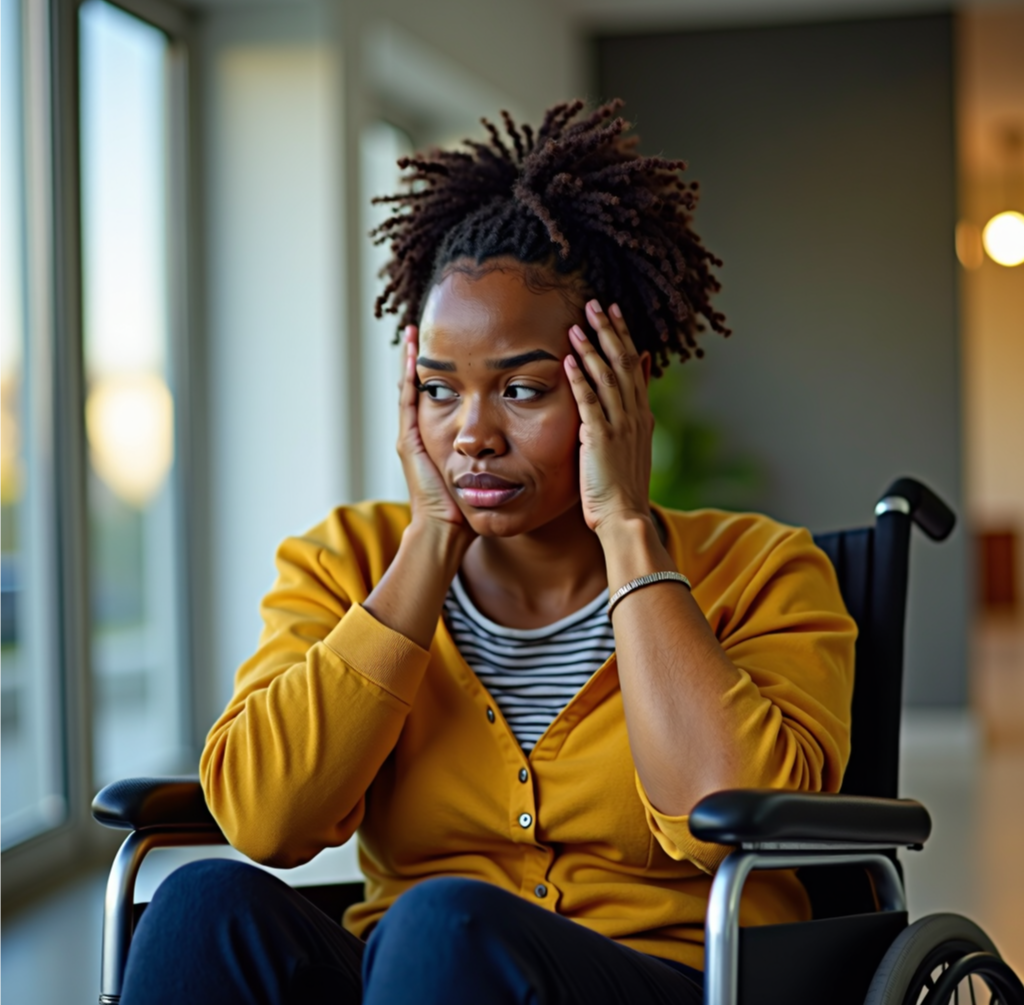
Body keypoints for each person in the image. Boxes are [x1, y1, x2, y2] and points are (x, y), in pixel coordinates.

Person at [121, 100, 856, 1005]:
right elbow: (267, 820)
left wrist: (627, 530)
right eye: (439, 389)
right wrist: (429, 542)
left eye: (521, 388)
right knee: (200, 903)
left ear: (621, 380)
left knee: (443, 922)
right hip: (412, 975)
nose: (471, 434)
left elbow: (727, 819)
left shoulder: (761, 570)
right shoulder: (344, 560)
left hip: (666, 978)